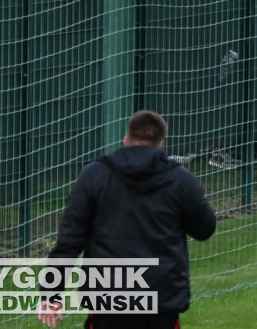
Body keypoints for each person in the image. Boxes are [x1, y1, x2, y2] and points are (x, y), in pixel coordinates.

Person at [38, 110, 216, 329]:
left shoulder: (94, 175)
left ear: (125, 140)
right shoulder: (181, 181)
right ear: (161, 144)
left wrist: (51, 294)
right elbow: (205, 229)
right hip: (160, 299)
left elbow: (69, 241)